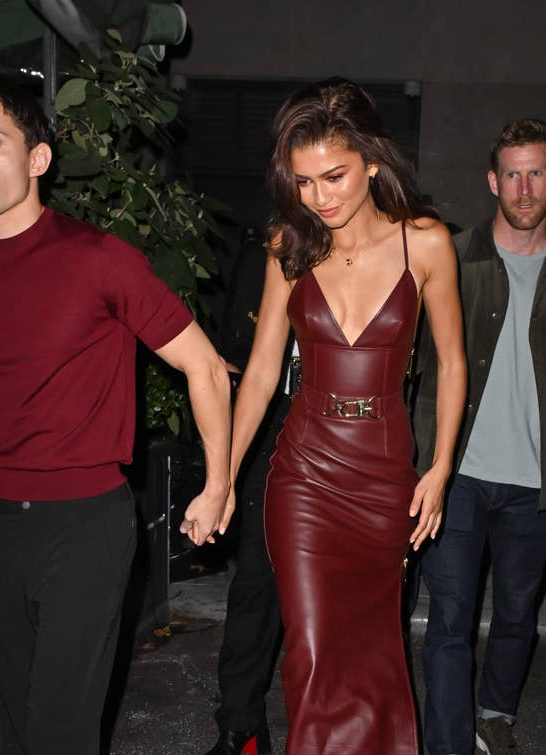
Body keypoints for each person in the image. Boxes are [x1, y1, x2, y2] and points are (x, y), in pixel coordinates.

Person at [0, 76, 232, 755]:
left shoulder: (98, 259)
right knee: (20, 725)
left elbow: (204, 366)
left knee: (59, 732)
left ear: (38, 159)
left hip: (86, 525)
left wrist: (218, 482)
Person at [224, 78, 466, 754]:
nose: (319, 197)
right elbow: (263, 372)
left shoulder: (426, 243)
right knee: (310, 649)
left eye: (334, 176)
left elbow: (452, 363)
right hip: (304, 470)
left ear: (373, 162)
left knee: (374, 652)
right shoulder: (289, 245)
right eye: (303, 182)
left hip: (385, 471)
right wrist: (224, 477)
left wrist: (440, 468)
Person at [418, 119, 546, 755]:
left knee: (518, 615)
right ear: (494, 181)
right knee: (450, 618)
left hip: (534, 485)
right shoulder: (454, 256)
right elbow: (418, 363)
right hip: (458, 473)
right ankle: (449, 744)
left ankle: (496, 714)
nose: (525, 189)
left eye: (537, 173)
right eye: (513, 175)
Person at [201, 228, 291, 755]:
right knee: (257, 579)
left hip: (351, 432)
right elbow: (239, 340)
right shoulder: (272, 246)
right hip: (271, 423)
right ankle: (241, 725)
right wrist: (224, 475)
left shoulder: (390, 242)